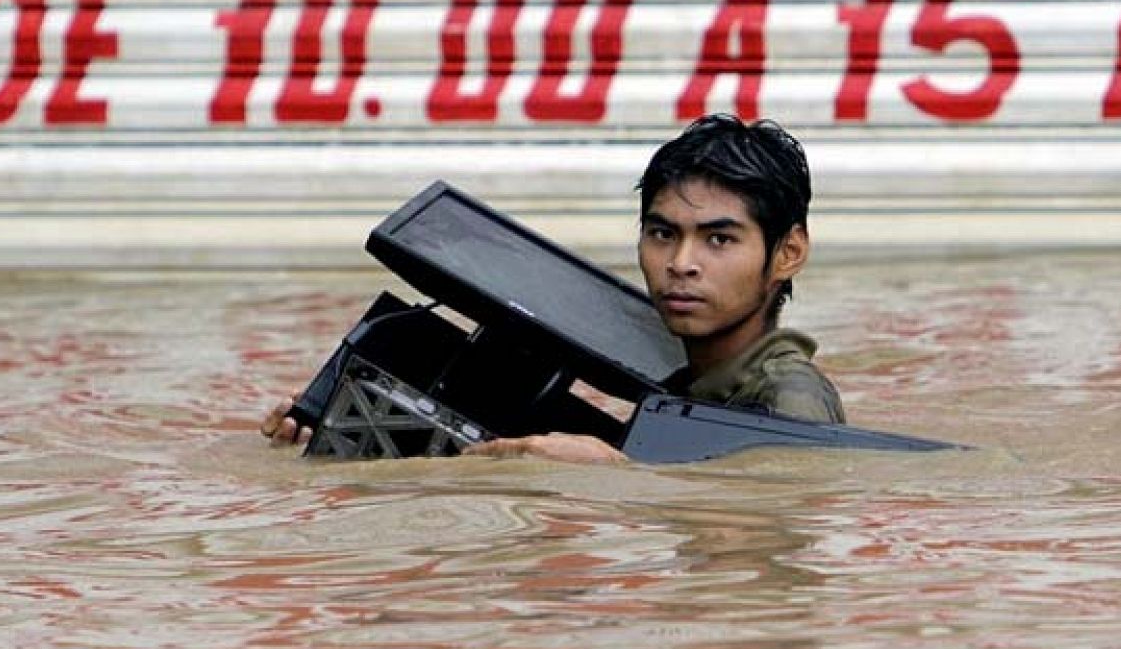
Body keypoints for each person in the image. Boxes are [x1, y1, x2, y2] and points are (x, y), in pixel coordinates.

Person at [260, 114, 844, 463]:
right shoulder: (689, 379)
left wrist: (618, 473)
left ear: (787, 253)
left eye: (719, 240)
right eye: (662, 234)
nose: (681, 263)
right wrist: (349, 426)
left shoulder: (788, 400)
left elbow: (783, 511)